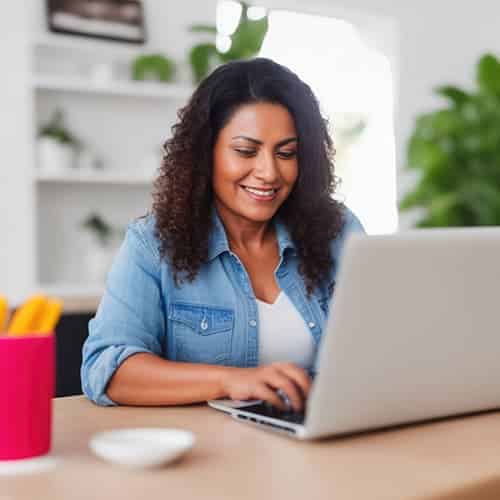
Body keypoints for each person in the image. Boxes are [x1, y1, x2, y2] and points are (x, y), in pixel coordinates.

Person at [81, 58, 364, 412]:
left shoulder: (337, 231)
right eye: (246, 151)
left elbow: (376, 347)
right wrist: (230, 380)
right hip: (205, 454)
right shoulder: (153, 244)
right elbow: (108, 368)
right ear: (206, 152)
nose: (269, 172)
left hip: (319, 441)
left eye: (286, 153)